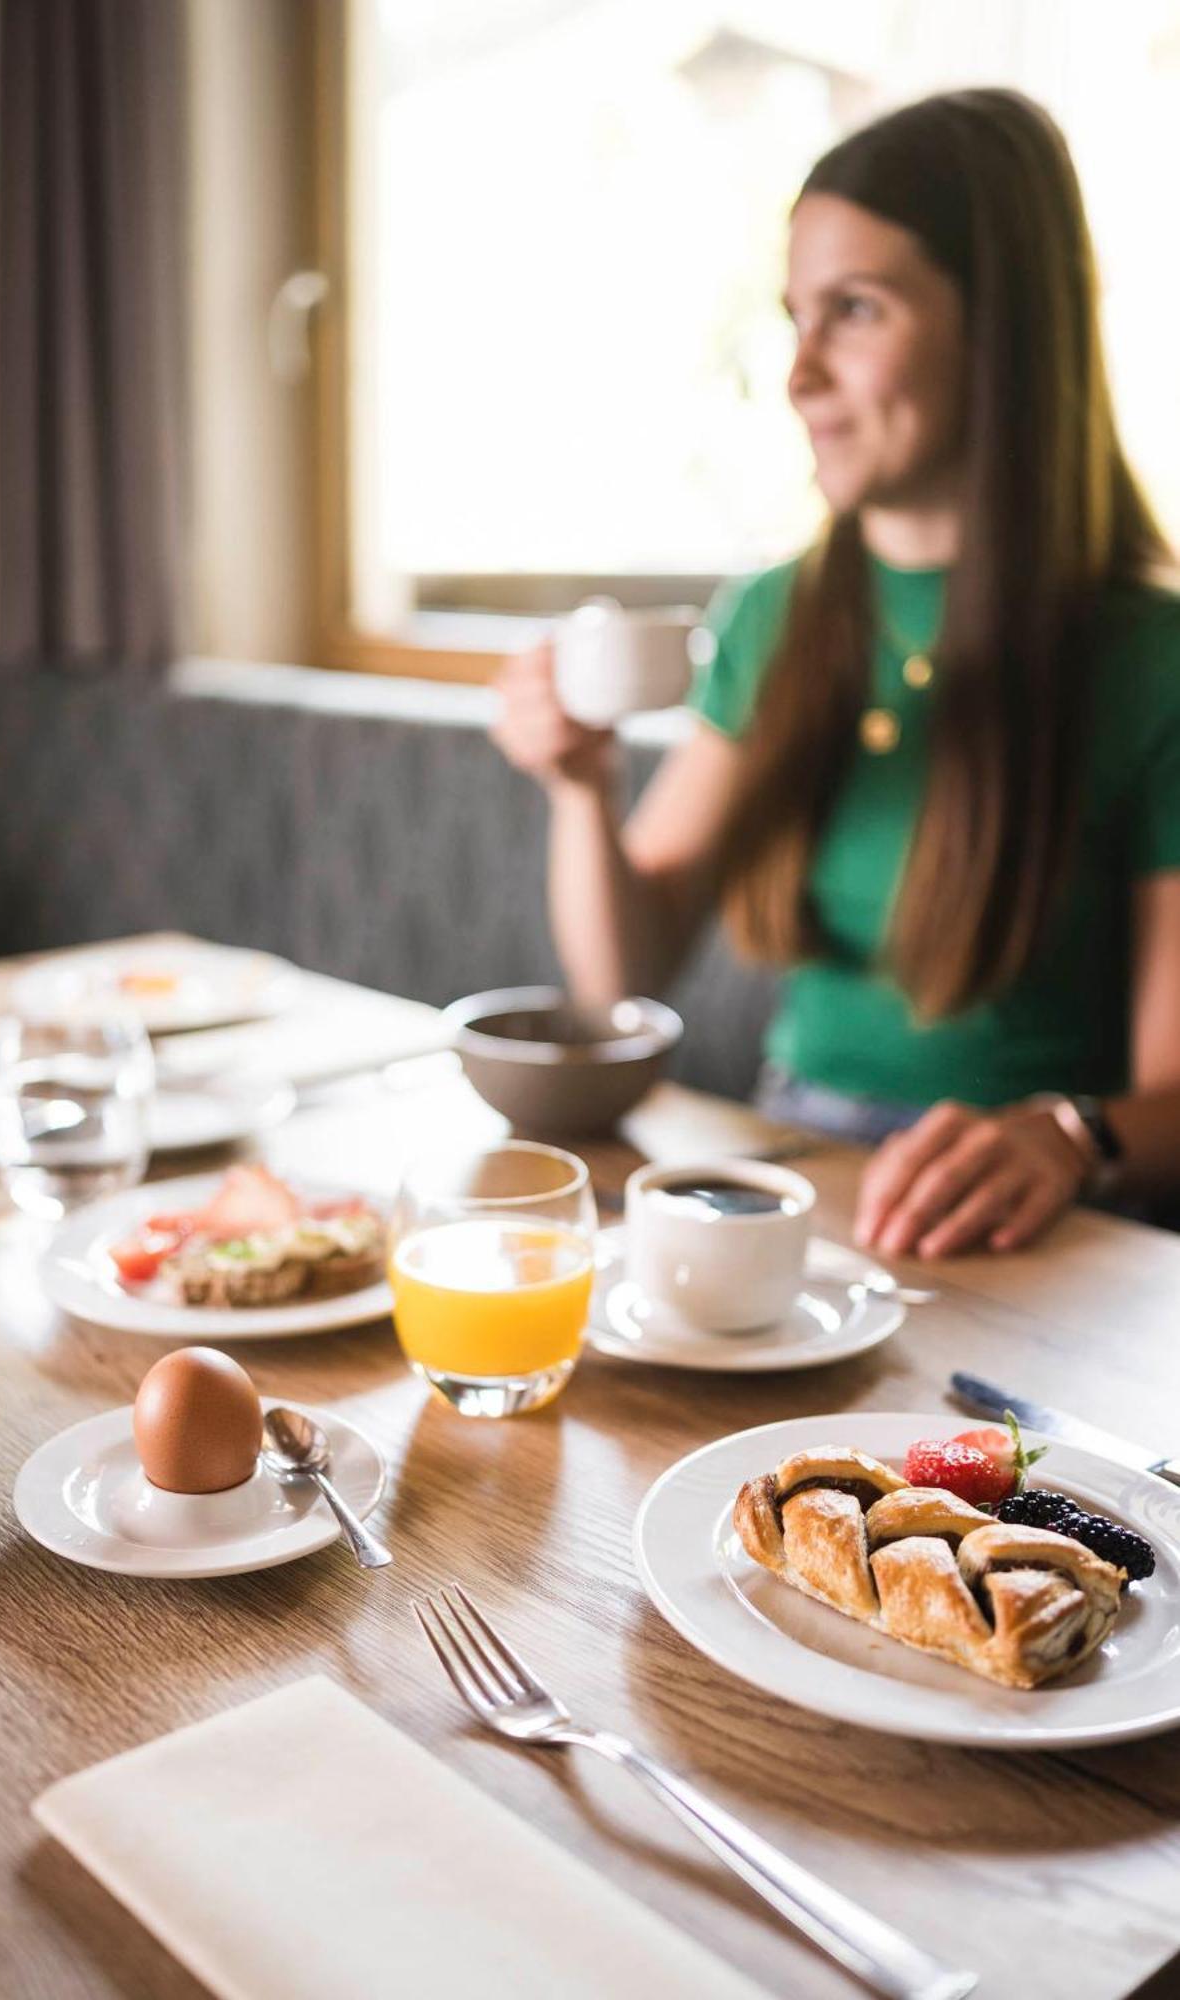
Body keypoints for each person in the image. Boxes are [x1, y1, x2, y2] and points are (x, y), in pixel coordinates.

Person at [493, 88, 1180, 1259]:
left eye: (853, 311)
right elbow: (626, 971)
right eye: (795, 318)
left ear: (1001, 331)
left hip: (1022, 1221)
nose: (798, 374)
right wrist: (576, 786)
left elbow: (1171, 1101)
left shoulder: (1148, 658)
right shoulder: (776, 614)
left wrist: (1065, 1134)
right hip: (792, 1173)